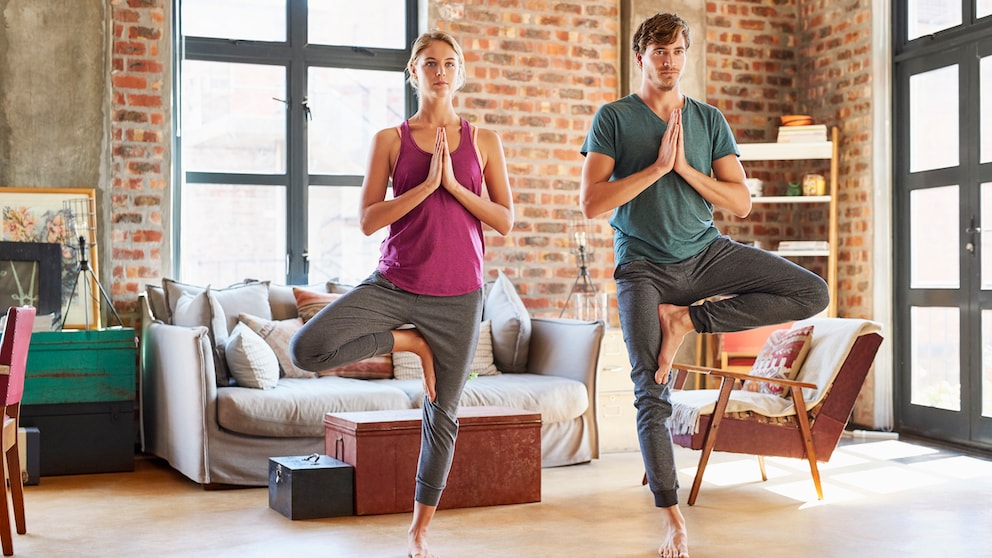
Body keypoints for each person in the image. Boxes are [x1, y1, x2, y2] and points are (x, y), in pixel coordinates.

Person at [579, 12, 828, 558]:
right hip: (642, 267)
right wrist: (656, 166)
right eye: (659, 51)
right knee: (651, 389)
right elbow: (593, 202)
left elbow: (740, 202)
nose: (669, 61)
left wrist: (685, 169)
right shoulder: (614, 119)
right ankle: (671, 518)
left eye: (677, 51)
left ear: (685, 57)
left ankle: (685, 318)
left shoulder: (709, 120)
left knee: (812, 293)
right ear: (640, 55)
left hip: (708, 255)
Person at [290, 30, 513, 558]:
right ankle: (410, 344)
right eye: (430, 63)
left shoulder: (484, 141)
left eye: (449, 63)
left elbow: (504, 219)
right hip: (395, 283)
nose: (440, 71)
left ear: (460, 71)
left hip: (460, 295)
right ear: (413, 72)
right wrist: (424, 187)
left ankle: (418, 532)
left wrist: (455, 187)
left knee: (443, 412)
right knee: (306, 349)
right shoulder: (390, 140)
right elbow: (369, 219)